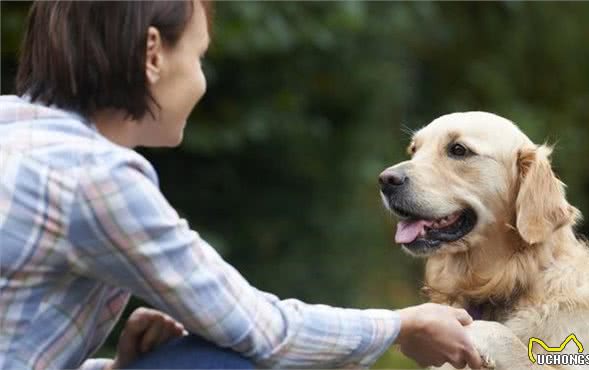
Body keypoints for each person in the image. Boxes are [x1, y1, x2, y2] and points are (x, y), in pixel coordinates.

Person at [0, 1, 484, 369]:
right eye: (198, 56)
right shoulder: (97, 178)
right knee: (214, 361)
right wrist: (401, 325)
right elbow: (261, 329)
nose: (201, 81)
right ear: (153, 54)